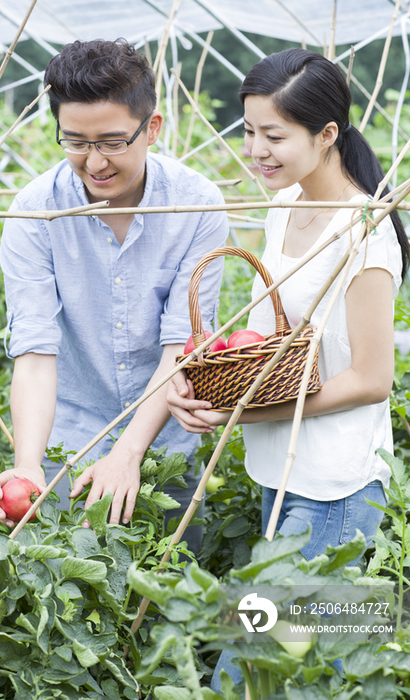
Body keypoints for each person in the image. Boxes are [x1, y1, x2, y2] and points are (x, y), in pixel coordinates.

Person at [166, 47, 409, 690]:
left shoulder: (367, 234)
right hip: (279, 462)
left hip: (333, 483)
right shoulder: (283, 207)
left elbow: (371, 378)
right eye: (249, 131)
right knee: (302, 666)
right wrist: (217, 376)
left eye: (274, 135)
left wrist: (237, 410)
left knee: (245, 671)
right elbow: (282, 340)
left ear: (328, 134)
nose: (256, 150)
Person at [0, 38, 229, 554]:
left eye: (113, 142)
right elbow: (34, 349)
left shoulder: (197, 206)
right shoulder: (35, 212)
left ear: (153, 128)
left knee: (170, 595)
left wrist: (129, 453)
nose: (94, 162)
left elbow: (181, 345)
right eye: (75, 141)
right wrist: (29, 462)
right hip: (67, 444)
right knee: (71, 590)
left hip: (164, 442)